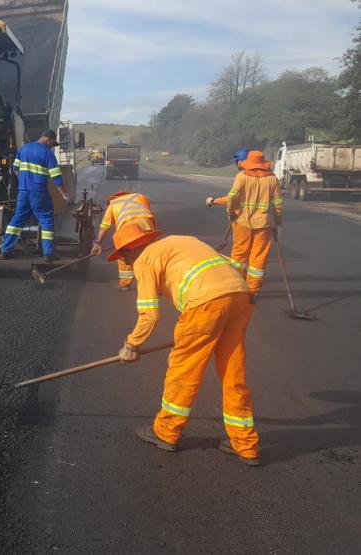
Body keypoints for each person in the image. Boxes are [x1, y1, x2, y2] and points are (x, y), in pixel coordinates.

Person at [111, 223, 260, 466]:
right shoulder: (181, 240)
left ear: (132, 249)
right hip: (240, 296)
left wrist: (131, 345)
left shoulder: (144, 260)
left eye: (123, 255)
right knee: (233, 373)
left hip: (205, 304)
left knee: (184, 371)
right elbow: (232, 264)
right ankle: (244, 443)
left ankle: (166, 431)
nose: (125, 262)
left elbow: (149, 314)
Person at [206, 150, 283, 293]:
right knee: (258, 260)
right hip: (264, 225)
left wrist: (230, 213)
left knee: (239, 257)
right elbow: (278, 204)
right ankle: (253, 291)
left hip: (242, 223)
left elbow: (232, 197)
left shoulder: (241, 177)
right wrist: (278, 223)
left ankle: (237, 287)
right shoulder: (273, 179)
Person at [1, 130, 70, 262]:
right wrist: (64, 194)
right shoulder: (47, 154)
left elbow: (15, 169)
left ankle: (5, 250)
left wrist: (24, 180)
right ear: (47, 139)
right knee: (46, 220)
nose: (51, 147)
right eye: (52, 144)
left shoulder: (23, 149)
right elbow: (56, 177)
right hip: (39, 192)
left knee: (17, 221)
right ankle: (49, 253)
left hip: (23, 191)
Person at [90, 191, 156, 290]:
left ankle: (125, 283)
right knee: (148, 253)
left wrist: (98, 243)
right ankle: (151, 281)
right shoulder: (140, 197)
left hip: (129, 228)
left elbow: (105, 226)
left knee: (124, 254)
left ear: (112, 199)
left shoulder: (113, 204)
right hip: (148, 226)